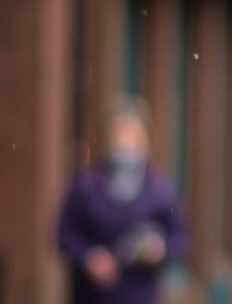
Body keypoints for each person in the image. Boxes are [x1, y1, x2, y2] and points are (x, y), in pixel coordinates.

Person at [56, 109, 191, 304]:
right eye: (120, 138)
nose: (126, 148)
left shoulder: (161, 192)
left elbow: (182, 237)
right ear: (107, 141)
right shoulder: (86, 188)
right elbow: (64, 234)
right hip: (93, 297)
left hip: (140, 296)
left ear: (147, 144)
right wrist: (89, 257)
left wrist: (159, 250)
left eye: (134, 140)